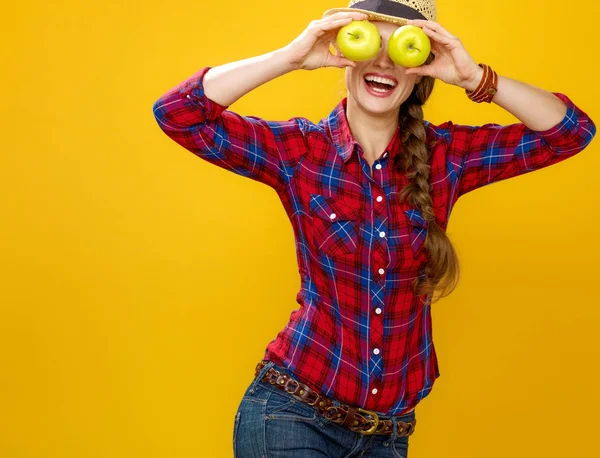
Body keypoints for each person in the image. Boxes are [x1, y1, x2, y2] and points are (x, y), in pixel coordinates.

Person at [152, 0, 596, 456]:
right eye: (369, 45)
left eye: (401, 49)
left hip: (388, 434)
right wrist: (290, 58)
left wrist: (474, 79)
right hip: (291, 415)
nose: (383, 63)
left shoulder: (447, 157)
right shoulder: (299, 151)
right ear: (343, 51)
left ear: (421, 68)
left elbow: (571, 132)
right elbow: (177, 113)